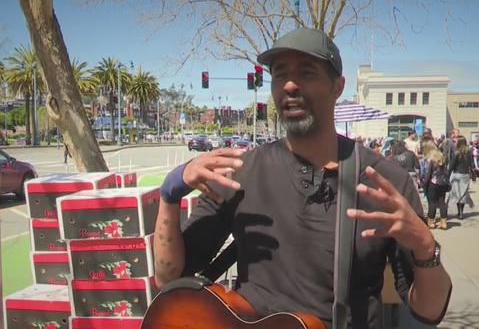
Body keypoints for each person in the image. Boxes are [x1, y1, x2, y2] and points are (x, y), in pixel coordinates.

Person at [153, 27, 452, 328]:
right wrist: (170, 194)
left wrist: (426, 248)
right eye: (280, 75)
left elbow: (429, 310)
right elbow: (169, 278)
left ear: (338, 86)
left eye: (307, 73)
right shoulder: (240, 171)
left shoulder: (385, 181)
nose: (290, 85)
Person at [447, 135, 475, 220]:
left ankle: (459, 212)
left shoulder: (456, 153)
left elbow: (451, 166)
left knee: (457, 194)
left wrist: (447, 176)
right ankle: (461, 213)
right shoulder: (469, 152)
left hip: (457, 175)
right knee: (463, 194)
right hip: (466, 175)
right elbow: (472, 164)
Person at [422, 149, 450, 230]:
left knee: (432, 203)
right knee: (442, 202)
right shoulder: (443, 162)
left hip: (433, 183)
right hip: (443, 184)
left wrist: (425, 185)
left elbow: (428, 175)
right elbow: (447, 173)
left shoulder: (432, 162)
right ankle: (443, 222)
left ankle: (431, 222)